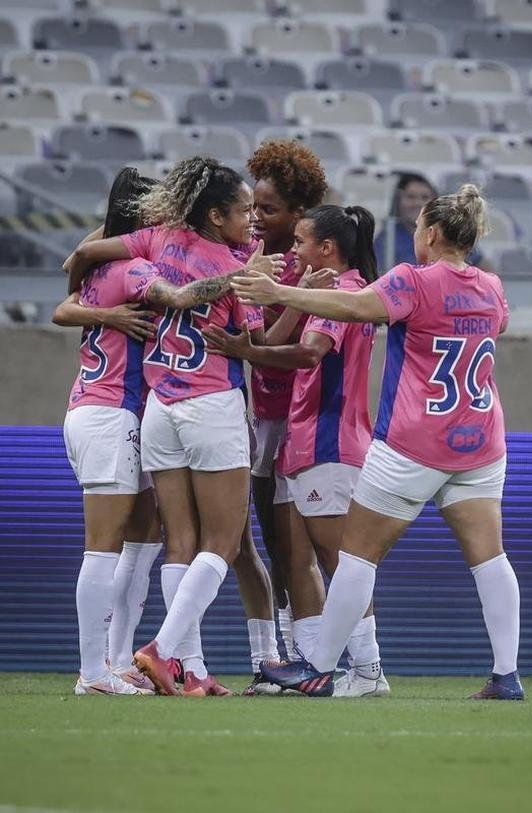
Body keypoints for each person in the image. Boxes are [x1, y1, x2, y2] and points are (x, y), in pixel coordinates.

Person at [232, 185, 523, 700]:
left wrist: (281, 293)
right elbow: (491, 327)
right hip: (480, 441)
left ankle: (318, 668)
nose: (414, 236)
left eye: (417, 229)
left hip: (414, 442)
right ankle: (506, 675)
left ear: (431, 233)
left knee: (357, 556)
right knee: (490, 558)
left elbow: (354, 305)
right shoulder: (492, 287)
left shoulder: (415, 280)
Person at [54, 167, 278, 695]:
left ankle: (189, 667)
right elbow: (255, 339)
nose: (250, 218)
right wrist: (264, 282)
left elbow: (80, 259)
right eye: (243, 210)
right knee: (221, 542)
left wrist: (91, 306)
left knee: (176, 541)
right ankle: (158, 651)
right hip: (206, 404)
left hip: (157, 408)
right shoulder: (219, 261)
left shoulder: (155, 242)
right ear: (216, 214)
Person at [205, 204, 389, 698]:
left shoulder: (347, 293)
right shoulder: (322, 290)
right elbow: (279, 338)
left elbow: (308, 352)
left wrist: (243, 352)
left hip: (330, 442)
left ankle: (369, 671)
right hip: (303, 440)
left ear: (327, 248)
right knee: (298, 555)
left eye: (302, 242)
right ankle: (309, 666)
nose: (293, 251)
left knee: (339, 559)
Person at [236, 140, 329, 688]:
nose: (256, 220)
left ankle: (310, 657)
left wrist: (280, 293)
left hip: (299, 419)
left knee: (300, 550)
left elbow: (267, 342)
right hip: (264, 416)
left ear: (299, 215)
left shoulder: (306, 266)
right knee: (273, 543)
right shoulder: (253, 257)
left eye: (268, 210)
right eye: (252, 209)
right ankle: (285, 659)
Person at [374, 173, 438, 270]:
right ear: (398, 201)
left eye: (424, 197)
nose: (418, 203)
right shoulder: (387, 238)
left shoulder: (446, 236)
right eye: (411, 197)